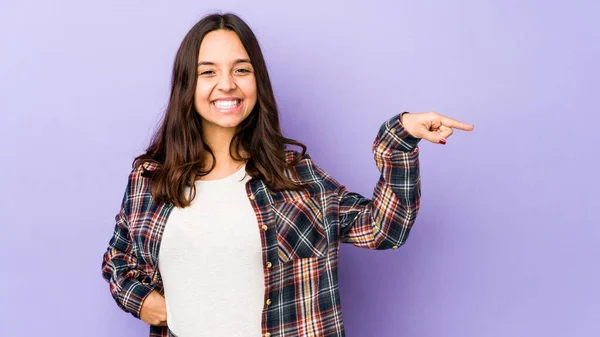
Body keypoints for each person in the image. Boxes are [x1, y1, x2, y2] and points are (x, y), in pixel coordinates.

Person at [101, 12, 474, 337]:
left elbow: (383, 228)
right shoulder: (152, 179)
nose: (227, 84)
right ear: (188, 85)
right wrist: (141, 299)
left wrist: (399, 139)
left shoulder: (292, 178)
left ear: (257, 82)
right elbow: (118, 257)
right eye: (208, 72)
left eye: (241, 70)